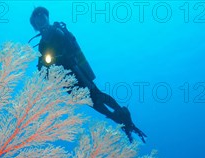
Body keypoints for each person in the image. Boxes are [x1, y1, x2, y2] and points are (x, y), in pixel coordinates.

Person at [29, 6, 146, 143]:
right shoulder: (42, 44)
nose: (41, 22)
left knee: (95, 93)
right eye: (38, 21)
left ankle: (122, 113)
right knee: (89, 101)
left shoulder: (58, 31)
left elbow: (70, 45)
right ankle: (118, 120)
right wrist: (44, 65)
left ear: (47, 18)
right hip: (64, 79)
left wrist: (61, 57)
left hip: (75, 69)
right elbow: (41, 67)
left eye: (43, 18)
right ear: (35, 25)